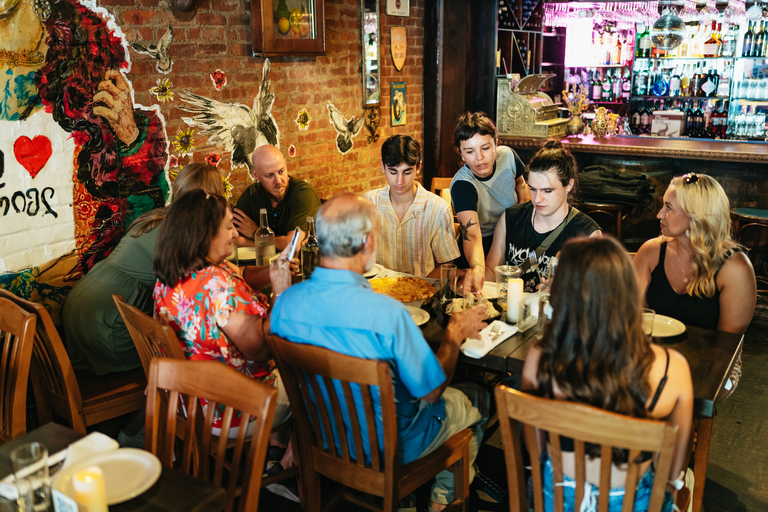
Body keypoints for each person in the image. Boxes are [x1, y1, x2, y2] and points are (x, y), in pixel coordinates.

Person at [271, 193, 490, 512]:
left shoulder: (285, 306)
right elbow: (431, 393)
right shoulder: (388, 315)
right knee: (478, 397)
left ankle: (406, 499)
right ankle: (443, 499)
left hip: (325, 436)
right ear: (368, 243)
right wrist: (454, 335)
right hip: (393, 446)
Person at [522, 237, 694, 512]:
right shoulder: (673, 369)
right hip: (631, 503)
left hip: (557, 500)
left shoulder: (540, 357)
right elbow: (673, 473)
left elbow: (538, 449)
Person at [63, 164, 225, 376]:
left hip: (81, 310)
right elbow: (205, 286)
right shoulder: (180, 233)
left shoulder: (159, 217)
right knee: (194, 344)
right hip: (109, 325)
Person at [634, 173, 756, 394]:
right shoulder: (651, 251)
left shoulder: (735, 268)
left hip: (713, 360)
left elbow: (726, 347)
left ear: (696, 216)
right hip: (652, 356)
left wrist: (682, 382)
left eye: (669, 208)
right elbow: (630, 316)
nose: (659, 214)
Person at [486, 140, 601, 292]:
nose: (537, 199)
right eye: (533, 189)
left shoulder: (588, 235)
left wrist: (561, 293)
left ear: (569, 185)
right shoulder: (510, 219)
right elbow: (491, 274)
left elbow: (594, 296)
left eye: (547, 191)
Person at [450, 112, 530, 295]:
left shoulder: (508, 156)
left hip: (513, 237)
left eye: (485, 148)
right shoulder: (463, 185)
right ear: (460, 154)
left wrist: (520, 217)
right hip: (481, 246)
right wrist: (478, 268)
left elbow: (521, 184)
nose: (479, 157)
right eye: (469, 151)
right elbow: (471, 234)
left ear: (496, 144)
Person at [364, 135, 459, 277]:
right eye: (393, 171)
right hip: (378, 292)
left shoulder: (438, 209)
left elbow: (447, 266)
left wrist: (417, 288)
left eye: (407, 172)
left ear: (418, 167)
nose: (399, 181)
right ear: (383, 166)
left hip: (423, 293)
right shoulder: (369, 202)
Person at [233, 144, 321, 250]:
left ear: (285, 163)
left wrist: (256, 234)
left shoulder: (304, 193)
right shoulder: (251, 195)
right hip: (261, 266)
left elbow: (293, 245)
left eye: (281, 171)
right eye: (269, 175)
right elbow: (233, 239)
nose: (278, 181)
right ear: (255, 175)